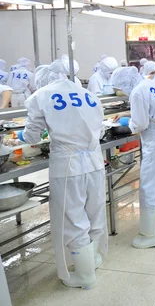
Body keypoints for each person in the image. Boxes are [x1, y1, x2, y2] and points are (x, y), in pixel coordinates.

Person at [18, 67, 106, 289]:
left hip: (68, 165)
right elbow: (99, 128)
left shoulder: (41, 95)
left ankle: (85, 277)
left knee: (73, 218)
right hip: (94, 161)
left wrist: (23, 135)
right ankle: (91, 261)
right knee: (94, 213)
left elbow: (32, 136)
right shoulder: (86, 93)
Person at [111, 67, 155, 248]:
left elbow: (141, 123)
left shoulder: (137, 92)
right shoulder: (151, 83)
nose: (121, 91)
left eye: (119, 88)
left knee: (150, 189)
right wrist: (129, 114)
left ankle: (152, 236)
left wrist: (129, 122)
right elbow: (153, 111)